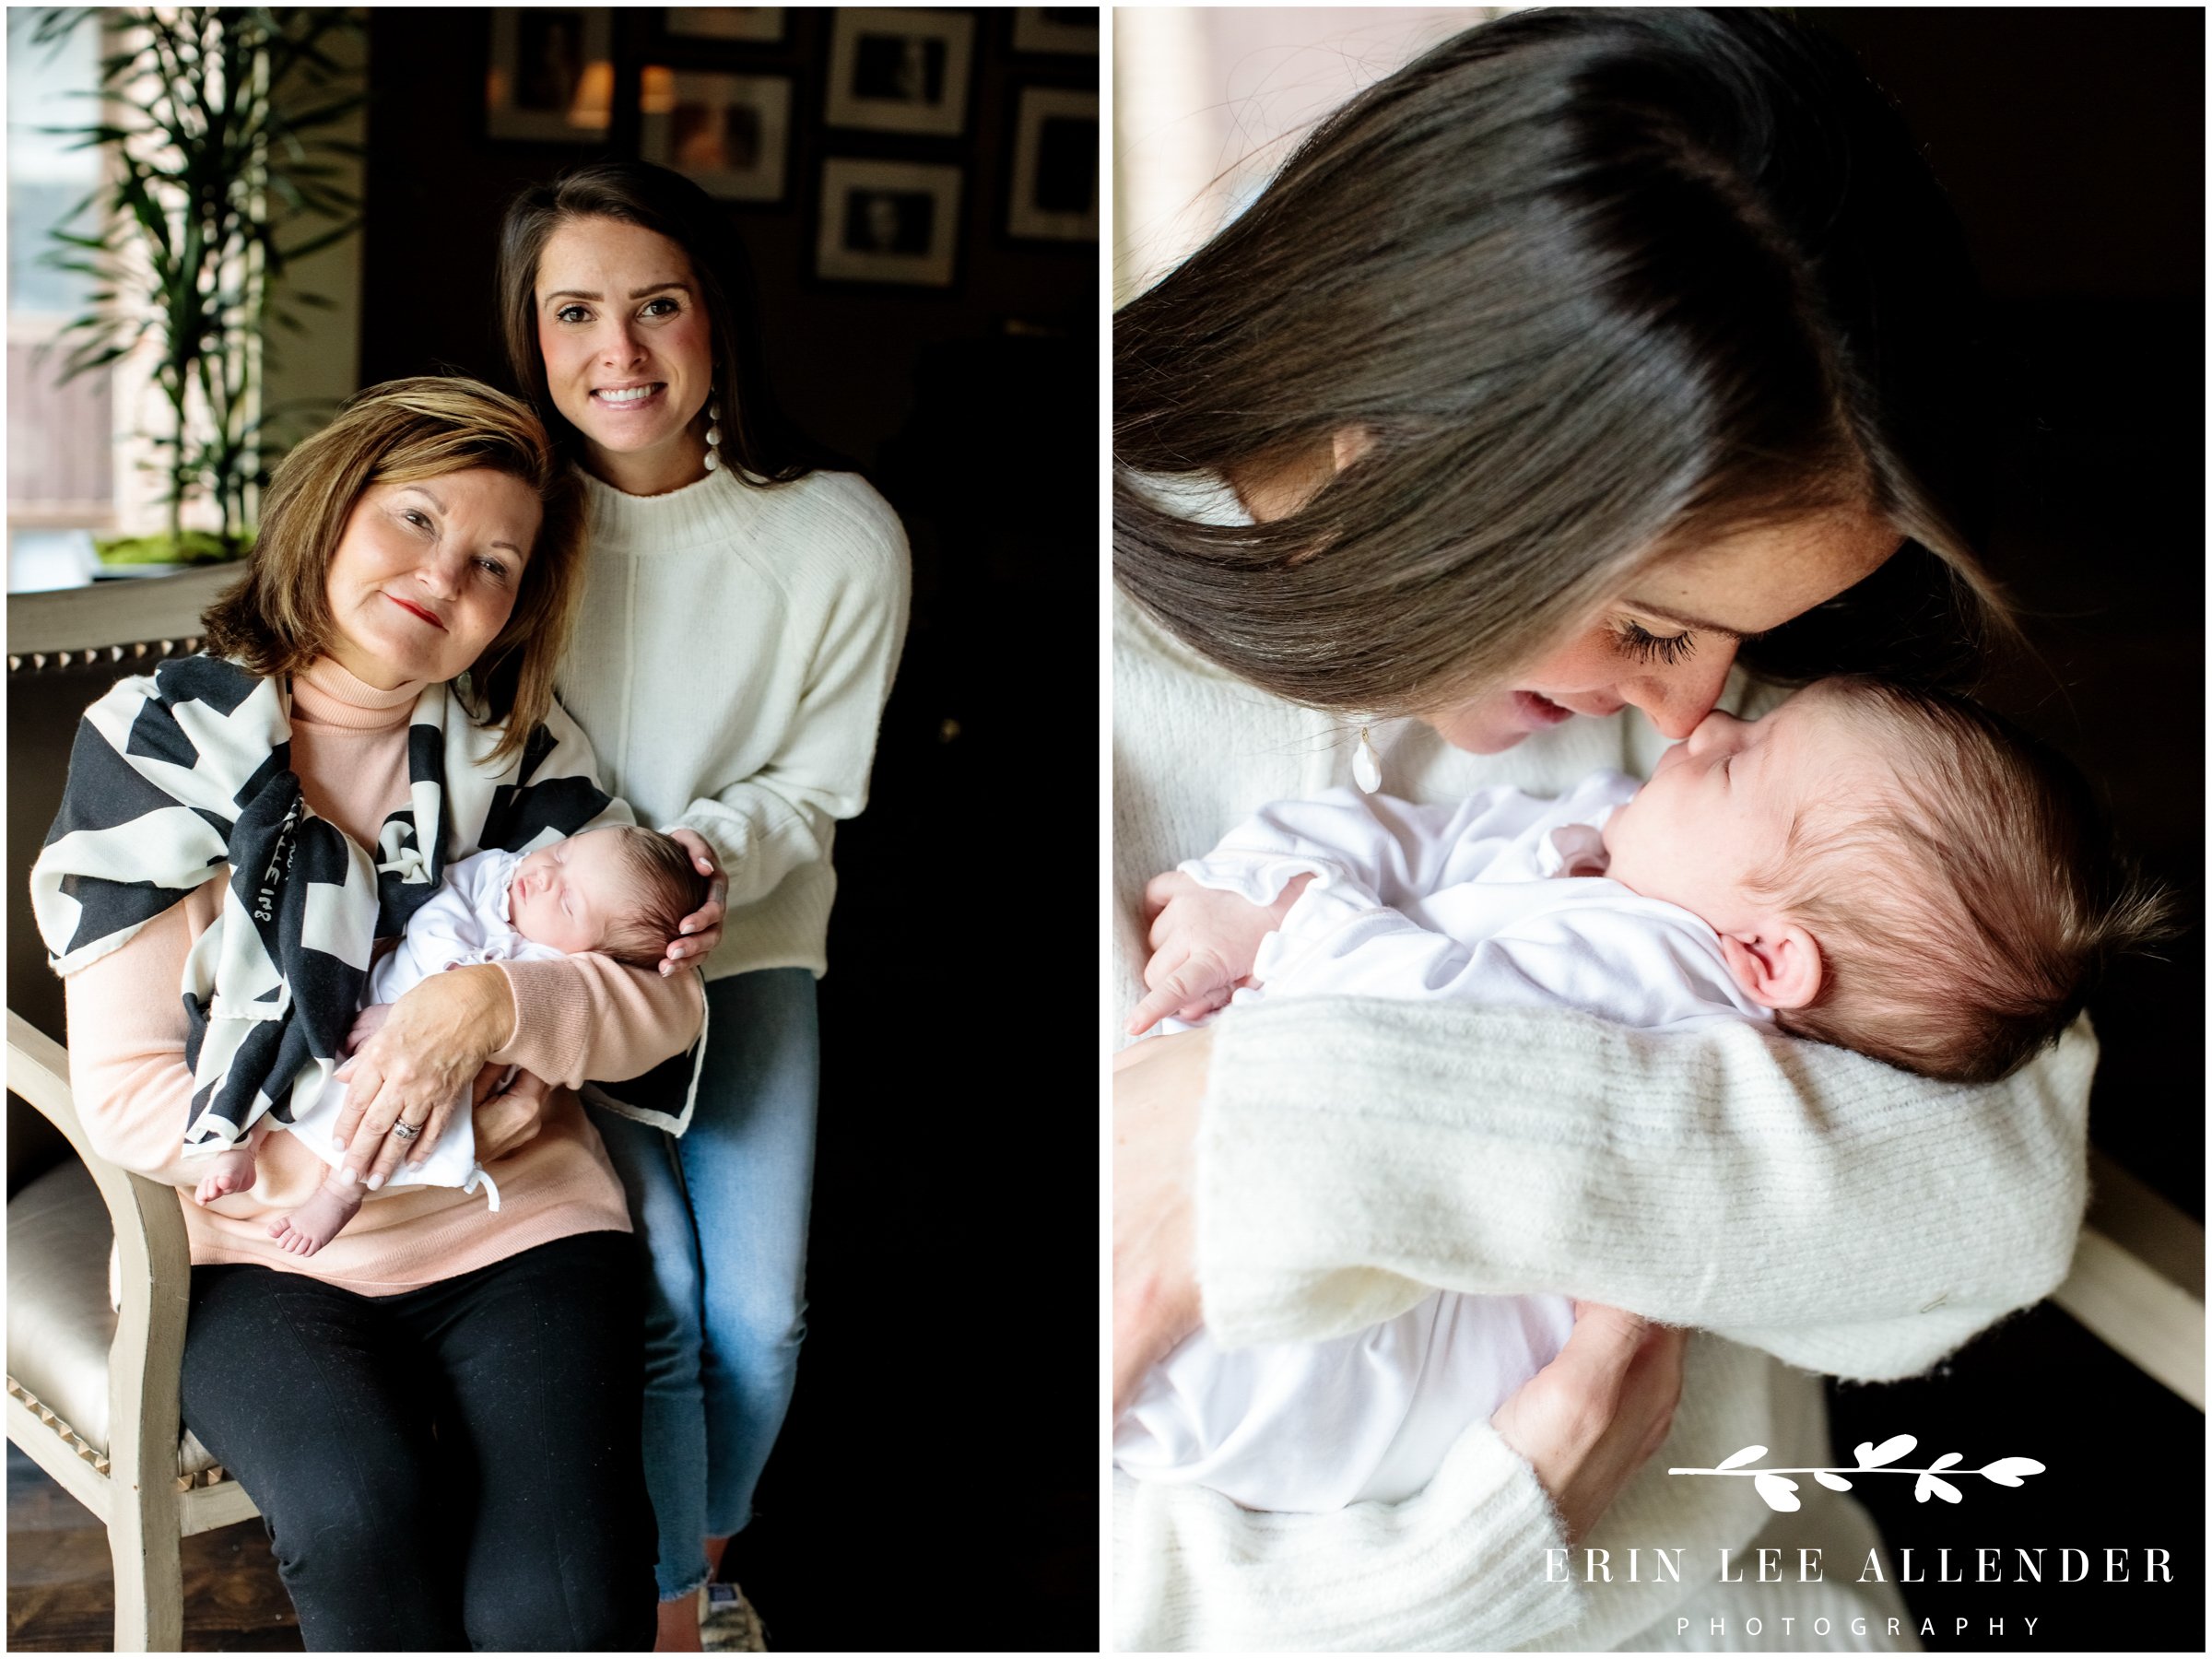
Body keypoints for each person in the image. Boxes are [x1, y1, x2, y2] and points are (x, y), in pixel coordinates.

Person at [1112, 10, 2095, 1649]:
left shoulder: (1754, 741)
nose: (1697, 712)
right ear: (1401, 456)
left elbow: (1993, 1187)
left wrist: (1290, 1098)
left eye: (1737, 642)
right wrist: (1508, 1528)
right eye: (1648, 627)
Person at [1117, 676, 2165, 1514]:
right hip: (1321, 1407)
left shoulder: (1657, 983)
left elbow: (1390, 1034)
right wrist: (1261, 878)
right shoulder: (1634, 850)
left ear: (1764, 955)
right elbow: (1404, 842)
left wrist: (1293, 911)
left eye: (1734, 763)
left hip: (1323, 1376)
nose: (1701, 725)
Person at [34, 377, 707, 1650]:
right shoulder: (157, 746)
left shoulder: (515, 749)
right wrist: (378, 1136)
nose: (446, 575)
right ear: (332, 509)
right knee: (359, 1513)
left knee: (566, 1600)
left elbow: (659, 1004)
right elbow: (129, 1093)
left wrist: (497, 998)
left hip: (518, 1225)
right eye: (413, 518)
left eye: (494, 562)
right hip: (260, 1247)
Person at [496, 159, 912, 1649]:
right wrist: (588, 905)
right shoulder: (510, 533)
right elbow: (494, 766)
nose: (620, 352)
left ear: (715, 318)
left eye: (656, 305)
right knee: (658, 1295)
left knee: (762, 1314)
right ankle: (679, 1613)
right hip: (561, 968)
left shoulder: (837, 535)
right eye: (576, 314)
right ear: (532, 339)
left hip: (746, 948)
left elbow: (821, 784)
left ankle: (707, 1549)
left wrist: (697, 864)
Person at [194, 824, 710, 1256]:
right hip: (368, 999)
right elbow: (439, 910)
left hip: (446, 1083)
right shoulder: (496, 876)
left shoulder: (555, 966)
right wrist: (443, 991)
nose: (547, 875)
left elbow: (638, 1008)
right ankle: (244, 1138)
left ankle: (339, 1193)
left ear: (595, 952)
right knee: (297, 1044)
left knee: (400, 1120)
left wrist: (470, 1012)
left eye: (570, 903)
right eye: (563, 853)